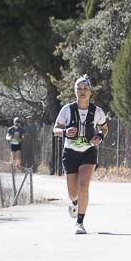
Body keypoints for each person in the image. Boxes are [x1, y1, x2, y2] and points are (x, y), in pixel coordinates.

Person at [53, 75, 108, 235]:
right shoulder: (67, 110)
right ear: (75, 91)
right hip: (70, 152)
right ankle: (76, 202)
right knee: (72, 193)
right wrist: (64, 132)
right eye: (79, 89)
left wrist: (100, 137)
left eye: (85, 89)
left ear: (90, 92)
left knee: (83, 185)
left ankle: (80, 222)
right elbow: (55, 129)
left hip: (88, 152)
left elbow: (104, 129)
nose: (82, 92)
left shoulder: (97, 112)